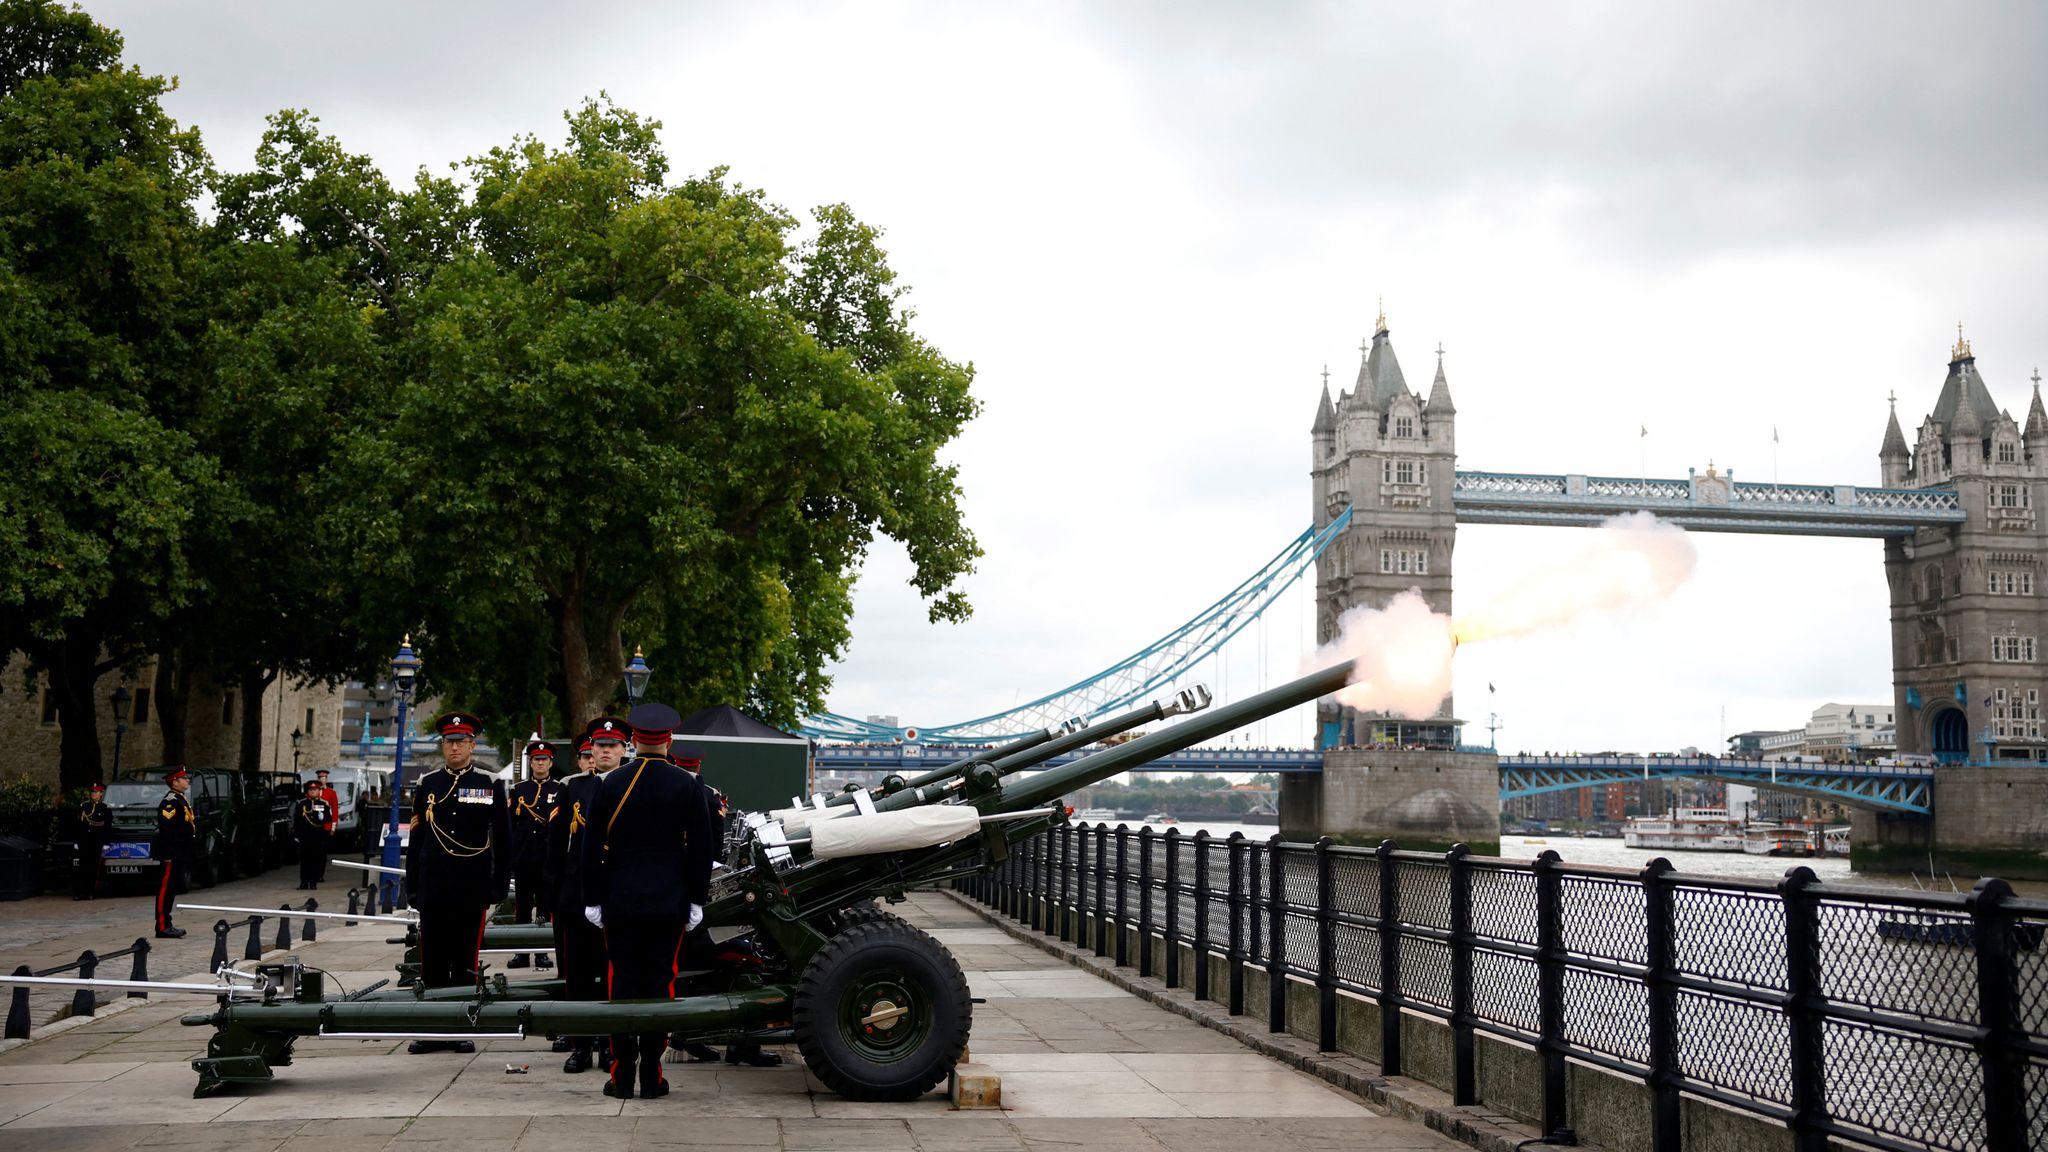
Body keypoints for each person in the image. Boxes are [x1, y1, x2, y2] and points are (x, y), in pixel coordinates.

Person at [580, 703, 713, 1100]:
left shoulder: (610, 784)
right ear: (669, 741)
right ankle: (653, 1075)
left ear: (634, 740)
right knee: (661, 987)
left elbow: (590, 849)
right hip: (668, 904)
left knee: (621, 985)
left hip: (619, 902)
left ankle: (621, 1076)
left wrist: (592, 899)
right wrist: (696, 900)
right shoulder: (688, 786)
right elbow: (701, 850)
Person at [404, 711, 511, 1053]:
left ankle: (462, 1024)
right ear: (442, 745)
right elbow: (417, 837)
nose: (454, 747)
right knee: (433, 959)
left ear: (472, 744)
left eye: (461, 741)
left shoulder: (490, 782)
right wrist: (413, 885)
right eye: (449, 742)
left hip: (471, 883)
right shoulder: (428, 783)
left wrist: (498, 884)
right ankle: (432, 1029)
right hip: (434, 882)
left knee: (464, 959)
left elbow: (504, 840)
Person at [669, 744, 781, 1067]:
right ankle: (742, 1044)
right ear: (699, 765)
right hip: (696, 905)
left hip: (669, 899)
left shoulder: (665, 792)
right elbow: (713, 853)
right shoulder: (708, 795)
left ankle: (688, 1034)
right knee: (751, 958)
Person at [545, 728, 611, 1073]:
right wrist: (553, 894)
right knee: (579, 976)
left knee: (610, 975)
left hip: (614, 896)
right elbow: (556, 845)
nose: (603, 752)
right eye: (598, 746)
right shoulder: (572, 786)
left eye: (611, 746)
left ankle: (609, 1044)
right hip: (576, 895)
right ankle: (581, 1045)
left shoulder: (628, 783)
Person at [506, 739, 560, 968]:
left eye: (544, 760)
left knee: (545, 907)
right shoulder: (519, 790)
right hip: (524, 857)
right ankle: (521, 952)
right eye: (536, 760)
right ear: (531, 762)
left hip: (547, 858)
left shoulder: (558, 789)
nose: (540, 763)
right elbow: (510, 824)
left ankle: (541, 952)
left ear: (550, 762)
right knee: (522, 907)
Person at [153, 767, 194, 938]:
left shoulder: (180, 799)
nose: (187, 781)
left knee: (172, 888)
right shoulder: (170, 801)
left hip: (180, 851)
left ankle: (167, 923)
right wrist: (169, 853)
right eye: (184, 778)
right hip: (172, 853)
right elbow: (166, 829)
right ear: (175, 782)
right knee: (165, 889)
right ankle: (162, 926)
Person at [292, 779, 333, 890]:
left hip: (317, 836)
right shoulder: (302, 803)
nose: (313, 792)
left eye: (315, 790)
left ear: (319, 791)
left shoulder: (323, 804)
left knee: (316, 860)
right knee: (304, 860)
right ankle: (304, 882)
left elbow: (329, 817)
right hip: (305, 836)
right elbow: (297, 820)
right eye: (311, 790)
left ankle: (313, 882)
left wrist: (322, 817)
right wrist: (296, 834)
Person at [73, 782, 110, 900]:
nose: (93, 794)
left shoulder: (105, 808)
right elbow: (78, 825)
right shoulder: (84, 806)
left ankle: (90, 892)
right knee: (81, 867)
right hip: (84, 841)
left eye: (96, 792)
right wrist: (76, 841)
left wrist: (106, 843)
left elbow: (107, 827)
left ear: (101, 794)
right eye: (92, 792)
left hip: (96, 841)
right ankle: (78, 892)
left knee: (93, 868)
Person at [313, 769, 340, 835]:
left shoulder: (332, 793)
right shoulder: (313, 791)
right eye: (319, 778)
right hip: (314, 825)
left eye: (323, 778)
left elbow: (335, 810)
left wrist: (333, 828)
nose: (321, 780)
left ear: (326, 780)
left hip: (327, 826)